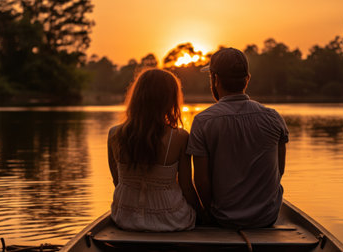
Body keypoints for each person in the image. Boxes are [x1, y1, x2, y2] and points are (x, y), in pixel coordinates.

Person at [186, 48, 289, 229]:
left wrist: (209, 214)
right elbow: (279, 170)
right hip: (267, 218)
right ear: (247, 79)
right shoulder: (274, 118)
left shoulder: (203, 122)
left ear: (215, 79)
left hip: (222, 218)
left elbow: (201, 181)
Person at [107, 68, 200, 231]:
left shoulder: (114, 134)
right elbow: (186, 187)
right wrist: (202, 213)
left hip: (125, 217)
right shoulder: (180, 137)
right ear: (169, 100)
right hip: (170, 220)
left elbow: (118, 182)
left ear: (137, 97)